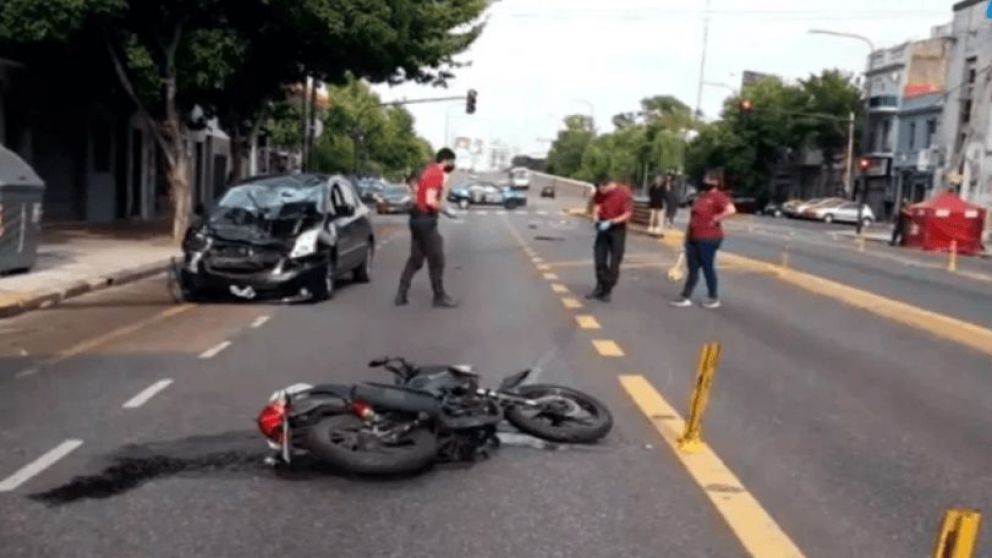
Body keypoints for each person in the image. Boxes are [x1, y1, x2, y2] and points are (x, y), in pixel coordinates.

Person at [394, 148, 459, 308]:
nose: (453, 165)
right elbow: (430, 200)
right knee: (437, 259)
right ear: (445, 160)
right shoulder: (436, 173)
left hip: (416, 219)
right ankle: (439, 296)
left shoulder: (427, 171)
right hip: (426, 221)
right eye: (452, 162)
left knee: (416, 259)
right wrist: (447, 210)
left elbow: (419, 195)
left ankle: (401, 294)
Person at [670, 170, 736, 309]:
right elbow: (693, 218)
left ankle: (713, 296)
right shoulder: (701, 197)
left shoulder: (718, 196)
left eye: (708, 180)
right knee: (692, 268)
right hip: (694, 237)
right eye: (704, 179)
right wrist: (686, 238)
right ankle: (685, 296)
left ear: (715, 182)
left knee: (707, 267)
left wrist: (716, 218)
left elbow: (731, 210)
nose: (705, 182)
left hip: (709, 238)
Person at [586, 179, 634, 302]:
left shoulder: (624, 192)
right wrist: (596, 218)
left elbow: (627, 213)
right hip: (603, 227)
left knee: (615, 261)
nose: (601, 192)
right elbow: (597, 206)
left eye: (602, 189)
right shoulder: (600, 192)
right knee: (599, 258)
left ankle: (607, 289)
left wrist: (612, 221)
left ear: (608, 185)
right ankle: (599, 286)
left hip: (617, 228)